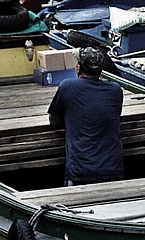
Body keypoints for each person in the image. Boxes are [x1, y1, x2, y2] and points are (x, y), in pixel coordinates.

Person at [47, 46, 124, 186]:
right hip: (113, 170)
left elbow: (54, 121)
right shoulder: (115, 90)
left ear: (78, 68)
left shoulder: (67, 87)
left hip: (80, 173)